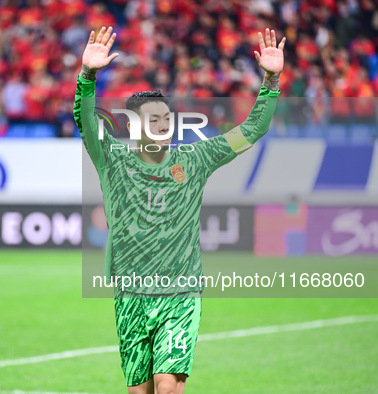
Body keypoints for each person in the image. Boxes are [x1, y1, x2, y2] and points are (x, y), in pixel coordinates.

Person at [73, 26, 285, 393]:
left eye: (166, 120)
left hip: (179, 292)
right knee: (140, 391)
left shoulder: (196, 157)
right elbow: (85, 120)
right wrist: (87, 76)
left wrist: (271, 82)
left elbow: (251, 130)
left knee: (167, 386)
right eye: (154, 121)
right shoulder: (111, 157)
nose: (163, 127)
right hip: (131, 294)